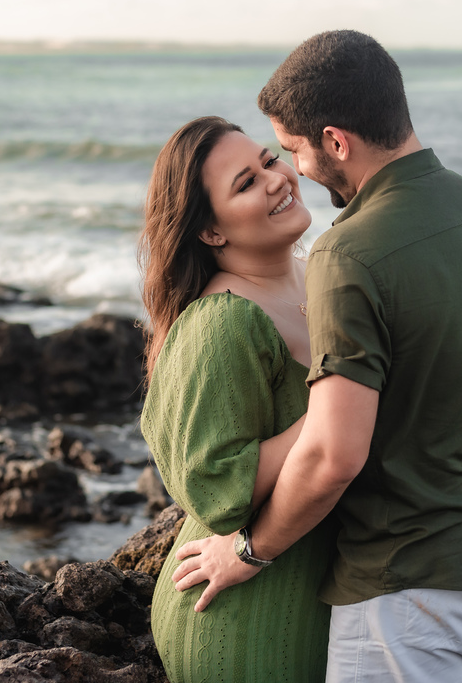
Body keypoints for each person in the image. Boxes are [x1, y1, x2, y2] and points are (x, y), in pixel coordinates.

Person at [170, 31, 462, 682]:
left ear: (335, 141)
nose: (294, 170)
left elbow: (333, 456)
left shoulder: (347, 254)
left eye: (292, 150)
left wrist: (249, 551)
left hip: (415, 579)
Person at [137, 115, 334, 683]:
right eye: (246, 183)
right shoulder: (223, 323)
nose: (276, 179)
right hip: (239, 617)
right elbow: (215, 487)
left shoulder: (324, 275)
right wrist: (340, 405)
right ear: (211, 232)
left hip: (330, 596)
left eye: (269, 160)